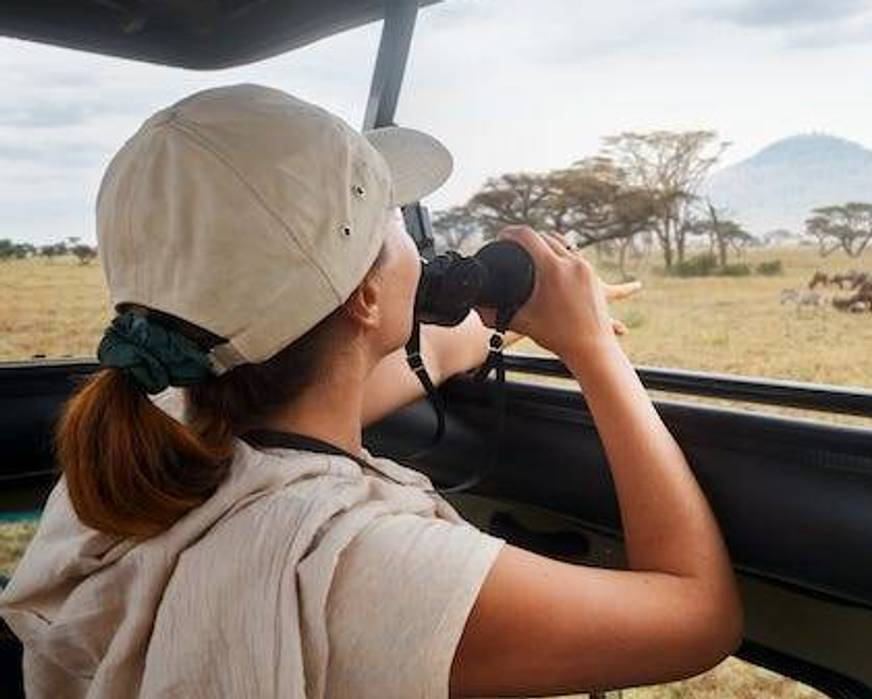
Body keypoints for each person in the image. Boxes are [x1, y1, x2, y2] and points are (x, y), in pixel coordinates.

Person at [0, 83, 741, 698]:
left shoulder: (144, 444)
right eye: (393, 224)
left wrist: (508, 320)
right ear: (363, 299)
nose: (415, 244)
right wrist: (591, 350)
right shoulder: (357, 565)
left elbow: (381, 365)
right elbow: (700, 616)